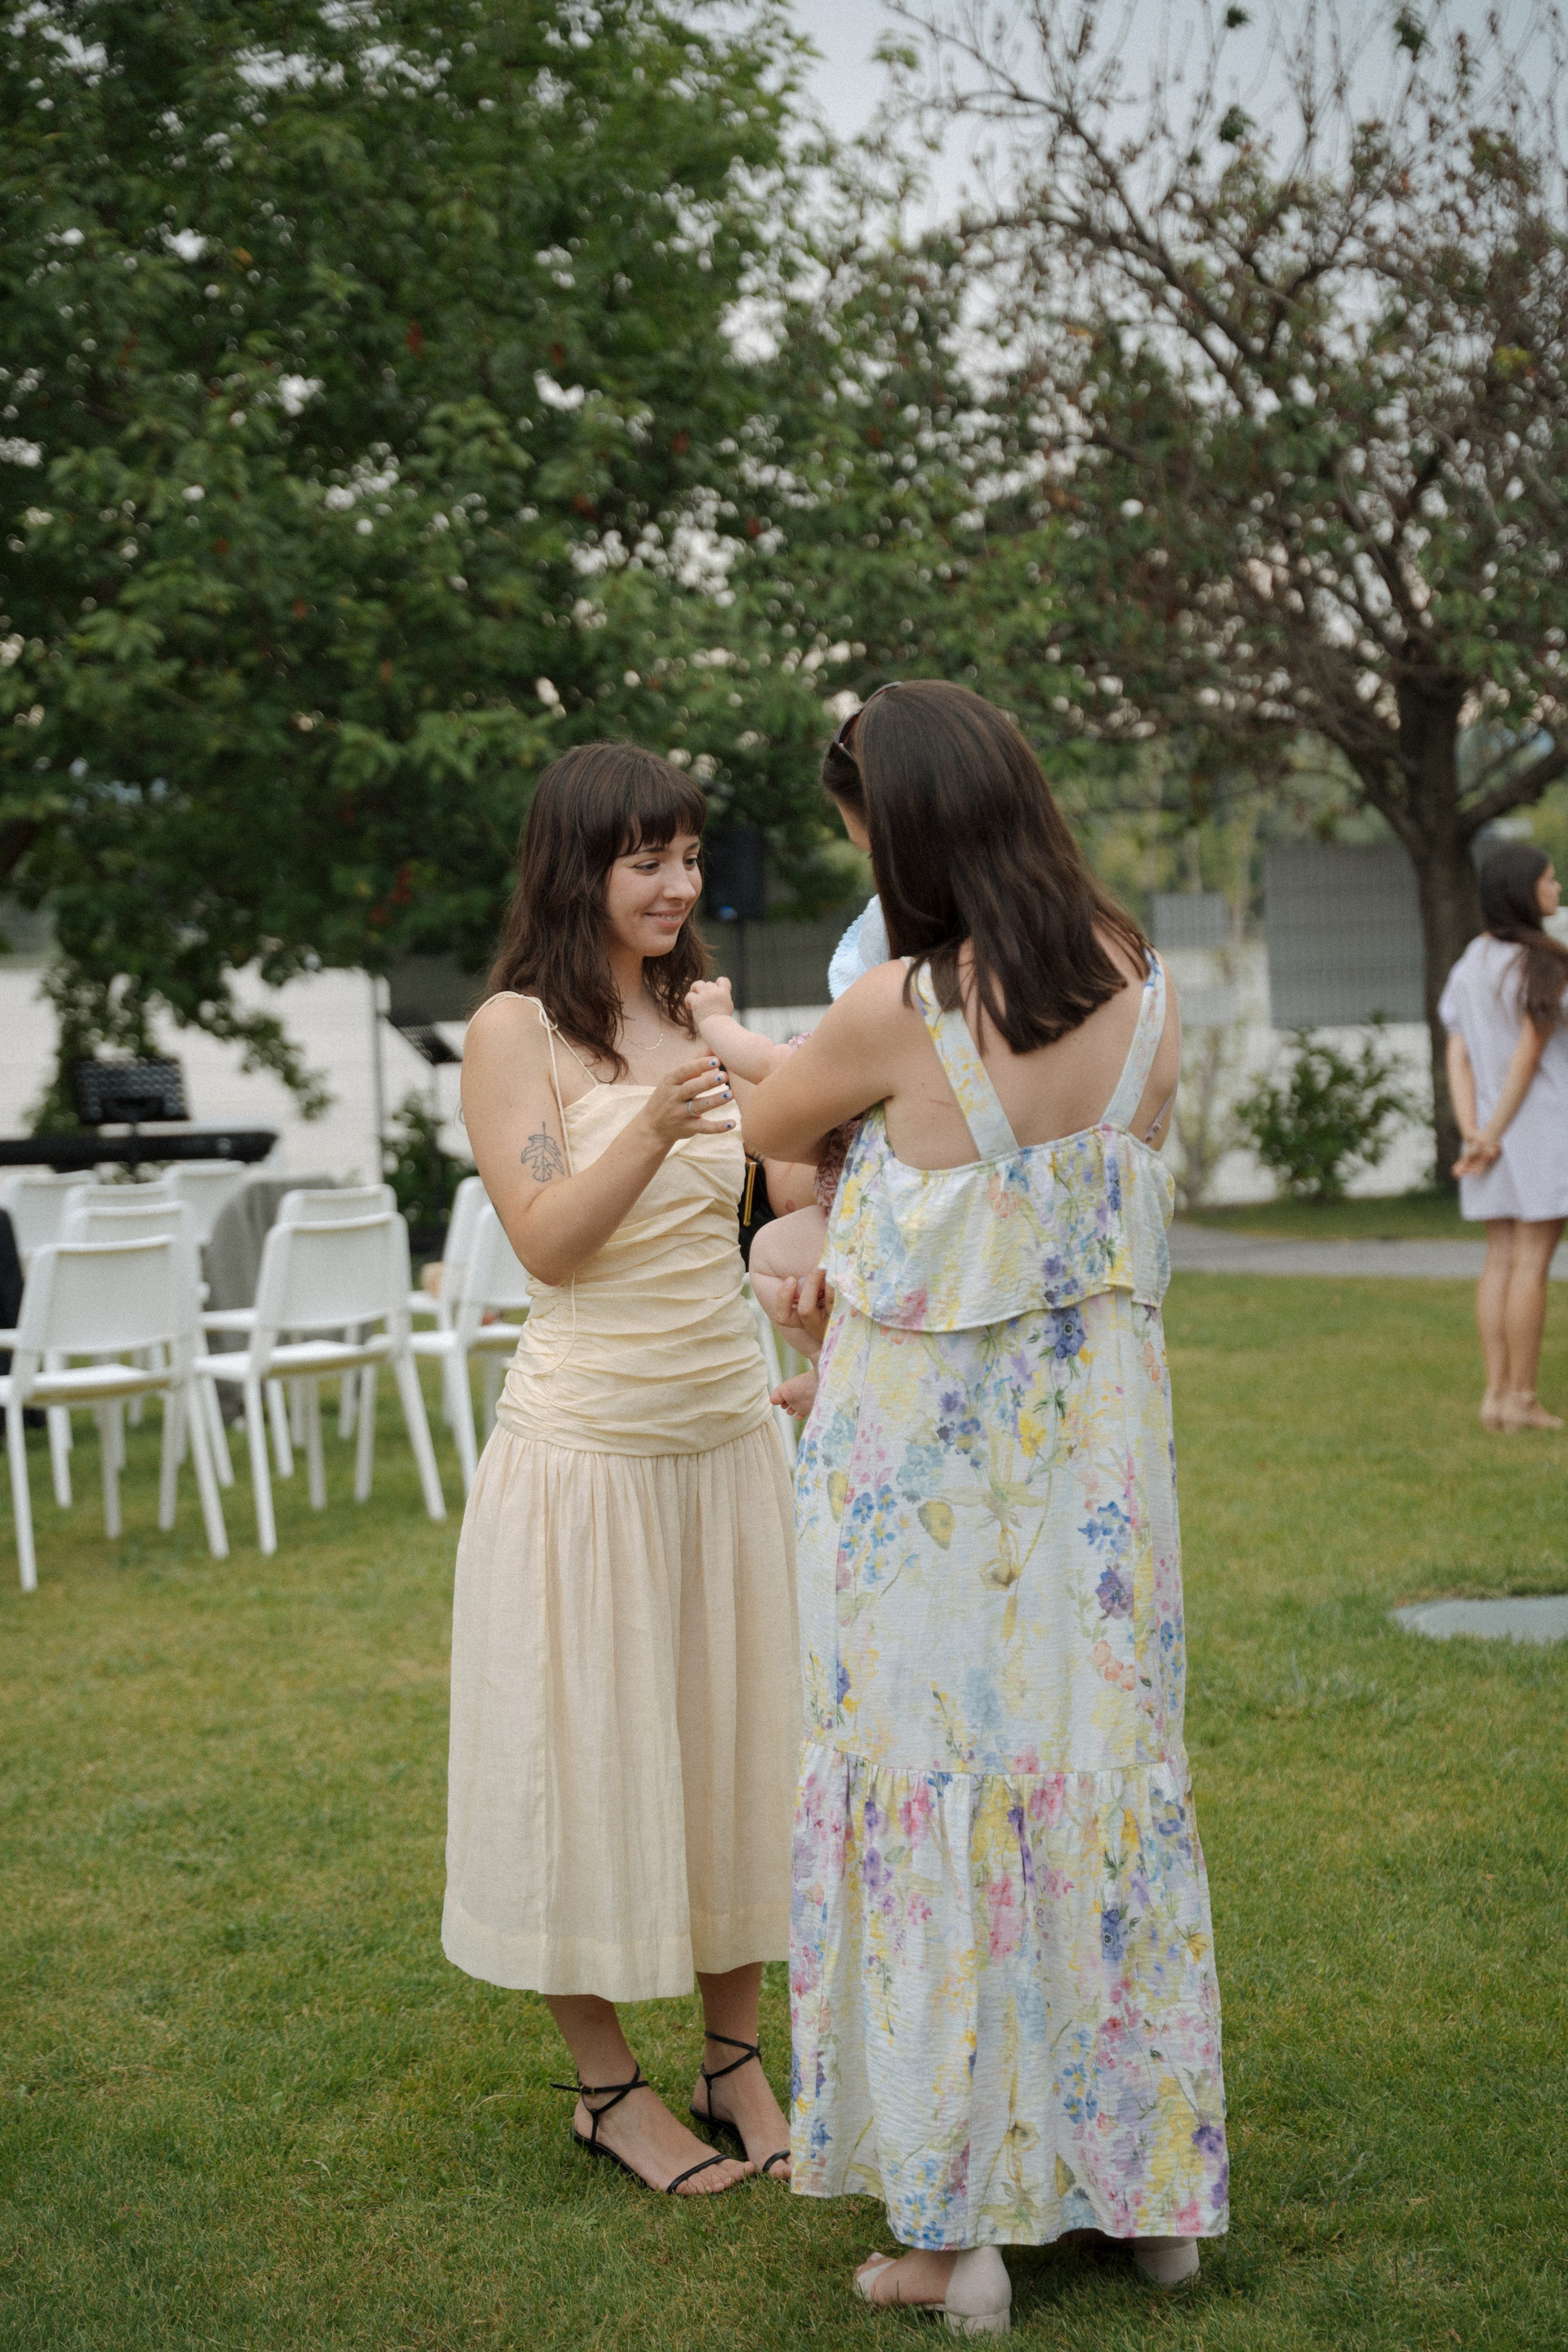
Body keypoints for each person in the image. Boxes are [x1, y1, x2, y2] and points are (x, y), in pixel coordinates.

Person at [745, 681, 1229, 2333]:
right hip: (1098, 1486)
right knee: (1096, 1794)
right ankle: (1146, 2198)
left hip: (924, 1497)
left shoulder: (905, 1003)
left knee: (930, 1801)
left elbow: (773, 1123)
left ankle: (956, 2241)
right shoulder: (1148, 984)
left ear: (908, 836)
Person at [443, 742, 799, 2196]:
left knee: (738, 1752)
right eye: (647, 859)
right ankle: (608, 2093)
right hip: (587, 1458)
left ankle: (735, 2063)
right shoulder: (513, 1031)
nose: (678, 885)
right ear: (576, 865)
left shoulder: (692, 1011)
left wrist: (800, 1236)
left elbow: (782, 1194)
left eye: (691, 857)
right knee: (580, 1768)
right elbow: (544, 1243)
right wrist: (651, 1127)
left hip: (728, 1441)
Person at [1441, 842, 1568, 1431]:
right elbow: (1528, 1054)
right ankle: (1521, 1398)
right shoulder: (1544, 963)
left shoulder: (1471, 962)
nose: (1557, 888)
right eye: (1549, 879)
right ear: (1524, 890)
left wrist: (1472, 1131)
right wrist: (1489, 1134)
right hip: (1539, 1128)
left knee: (1499, 1259)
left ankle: (1496, 1396)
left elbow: (1458, 1054)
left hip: (1489, 1135)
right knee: (1531, 1262)